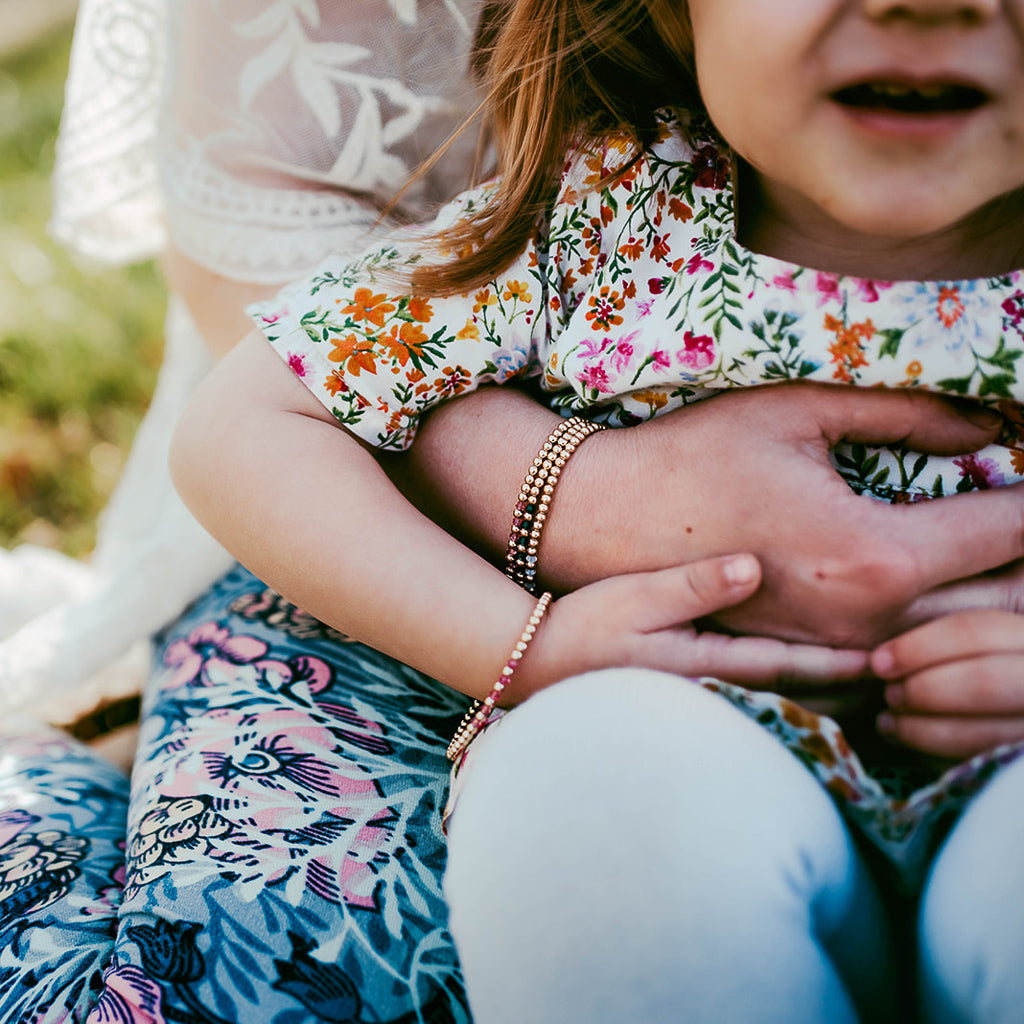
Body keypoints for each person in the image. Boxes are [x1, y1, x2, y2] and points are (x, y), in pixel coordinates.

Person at [5, 1, 1024, 1022]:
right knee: (584, 791)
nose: (924, 4)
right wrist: (524, 647)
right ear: (676, 14)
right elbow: (247, 419)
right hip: (683, 741)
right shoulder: (609, 214)